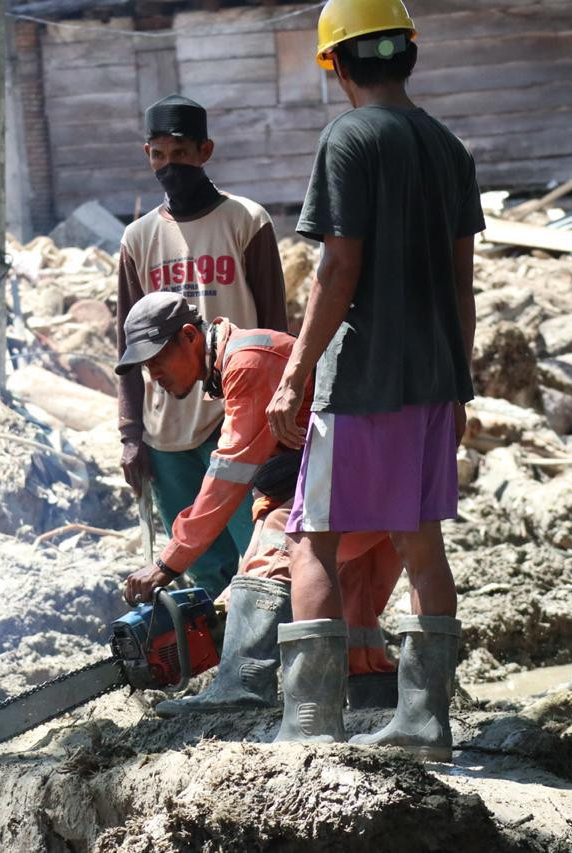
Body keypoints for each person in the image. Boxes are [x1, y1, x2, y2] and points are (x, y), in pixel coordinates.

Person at [265, 0, 484, 760]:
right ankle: (424, 723)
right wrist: (458, 385)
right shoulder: (448, 148)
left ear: (336, 65)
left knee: (311, 540)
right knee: (420, 543)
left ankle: (308, 725)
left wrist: (294, 371)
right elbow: (463, 284)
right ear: (407, 55)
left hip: (359, 379)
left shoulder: (347, 138)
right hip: (431, 376)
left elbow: (337, 267)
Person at [118, 291, 403, 715]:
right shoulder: (248, 354)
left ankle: (243, 681)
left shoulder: (247, 363)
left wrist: (168, 562)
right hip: (386, 476)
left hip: (363, 479)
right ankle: (373, 697)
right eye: (144, 366)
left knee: (270, 548)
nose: (153, 373)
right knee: (351, 592)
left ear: (191, 336)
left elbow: (230, 471)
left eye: (156, 358)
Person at [117, 94, 288, 599]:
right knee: (201, 570)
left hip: (235, 414)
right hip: (166, 430)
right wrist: (131, 432)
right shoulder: (138, 238)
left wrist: (279, 417)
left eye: (180, 154)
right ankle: (221, 668)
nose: (169, 167)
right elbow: (126, 343)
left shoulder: (246, 221)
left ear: (205, 151)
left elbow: (276, 329)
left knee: (256, 552)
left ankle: (264, 664)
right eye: (157, 156)